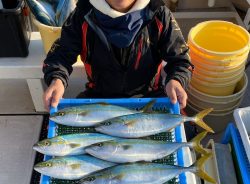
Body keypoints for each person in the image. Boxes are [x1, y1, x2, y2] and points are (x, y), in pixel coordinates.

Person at [43, 0, 194, 111]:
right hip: (98, 97)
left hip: (150, 97)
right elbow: (60, 55)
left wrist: (176, 80)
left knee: (185, 131)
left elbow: (181, 60)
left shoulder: (160, 15)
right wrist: (57, 79)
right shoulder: (81, 16)